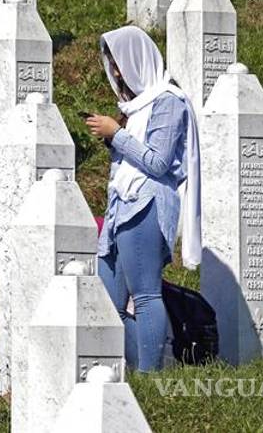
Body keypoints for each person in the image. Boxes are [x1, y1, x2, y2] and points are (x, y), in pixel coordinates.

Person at [83, 25, 201, 372]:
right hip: (122, 205)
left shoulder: (168, 101)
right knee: (108, 303)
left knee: (146, 294)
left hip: (146, 203)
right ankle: (148, 367)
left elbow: (158, 162)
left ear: (137, 60)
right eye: (112, 67)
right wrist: (115, 138)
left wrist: (116, 134)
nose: (117, 74)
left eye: (119, 65)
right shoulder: (137, 107)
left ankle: (151, 375)